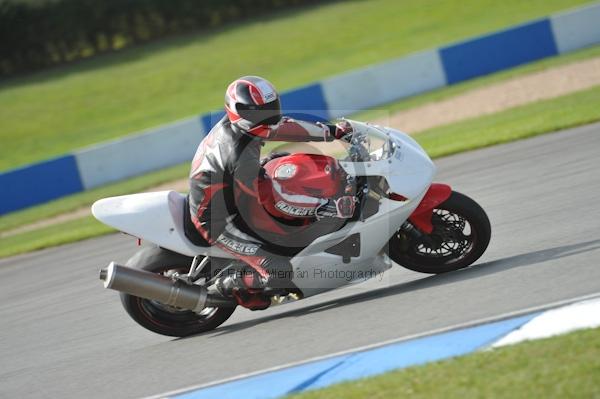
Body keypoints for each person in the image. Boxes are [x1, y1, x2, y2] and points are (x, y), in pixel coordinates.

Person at [189, 76, 354, 310]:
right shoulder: (238, 155)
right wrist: (322, 205)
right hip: (218, 220)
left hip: (234, 193)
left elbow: (286, 127)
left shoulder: (245, 126)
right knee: (279, 268)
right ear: (241, 111)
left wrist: (332, 131)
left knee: (289, 167)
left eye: (271, 108)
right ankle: (230, 285)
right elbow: (271, 200)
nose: (268, 116)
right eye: (261, 112)